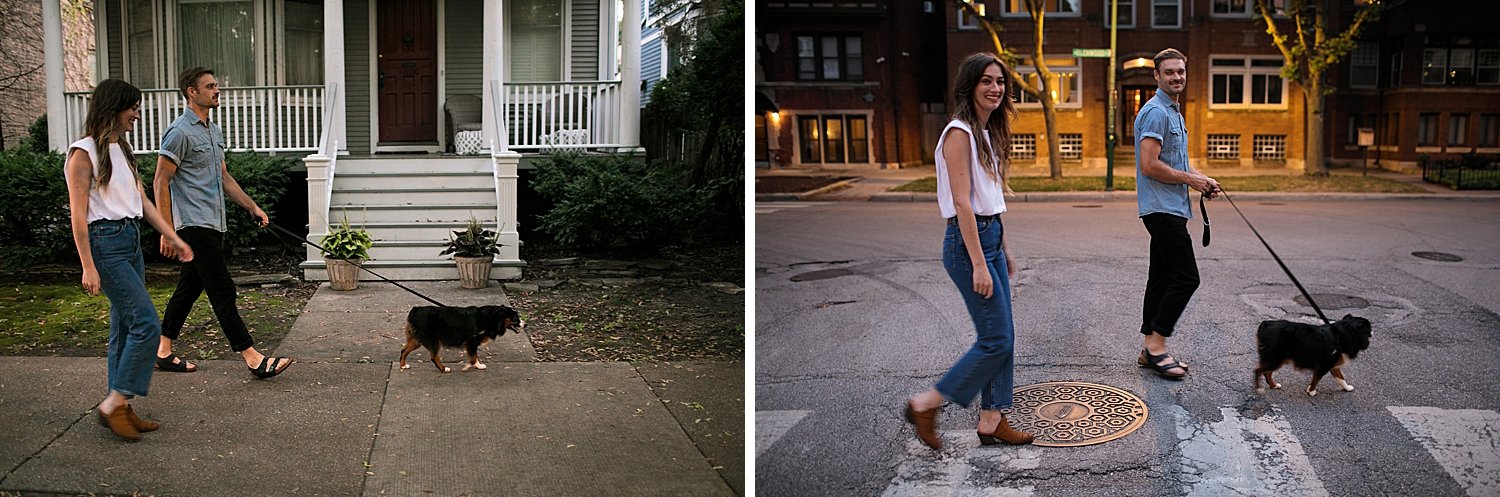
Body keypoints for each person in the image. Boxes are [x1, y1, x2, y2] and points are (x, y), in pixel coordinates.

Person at [903, 52, 1034, 450]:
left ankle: (992, 419)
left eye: (1000, 82)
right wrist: (979, 262)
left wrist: (1002, 248)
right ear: (969, 87)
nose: (995, 89)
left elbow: (989, 198)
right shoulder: (959, 133)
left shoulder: (986, 131)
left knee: (1004, 335)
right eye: (986, 82)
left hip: (989, 237)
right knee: (995, 339)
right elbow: (963, 204)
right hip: (967, 244)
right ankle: (926, 403)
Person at [65, 79, 197, 441]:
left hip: (129, 240)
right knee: (146, 324)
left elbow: (142, 202)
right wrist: (87, 265)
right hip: (104, 244)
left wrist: (173, 237)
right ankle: (114, 401)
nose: (137, 114)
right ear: (114, 107)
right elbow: (78, 216)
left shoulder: (120, 149)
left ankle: (120, 408)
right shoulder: (83, 153)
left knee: (123, 330)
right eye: (132, 107)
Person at [153, 67, 292, 379]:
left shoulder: (211, 132)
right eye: (210, 86)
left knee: (188, 290)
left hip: (213, 222)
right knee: (222, 290)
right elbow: (160, 181)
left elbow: (223, 177)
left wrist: (252, 207)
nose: (217, 91)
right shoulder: (179, 132)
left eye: (216, 85)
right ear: (191, 91)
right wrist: (167, 229)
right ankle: (252, 357)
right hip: (193, 224)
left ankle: (162, 351)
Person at [1133, 48, 1221, 380]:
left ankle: (1148, 348)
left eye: (1181, 72)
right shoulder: (1156, 112)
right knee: (1186, 278)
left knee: (1162, 277)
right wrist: (1191, 179)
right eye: (1169, 72)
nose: (1176, 77)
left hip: (1171, 207)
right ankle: (1157, 347)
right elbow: (1149, 165)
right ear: (1157, 76)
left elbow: (1175, 164)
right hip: (1161, 208)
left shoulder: (1173, 112)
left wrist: (1202, 180)